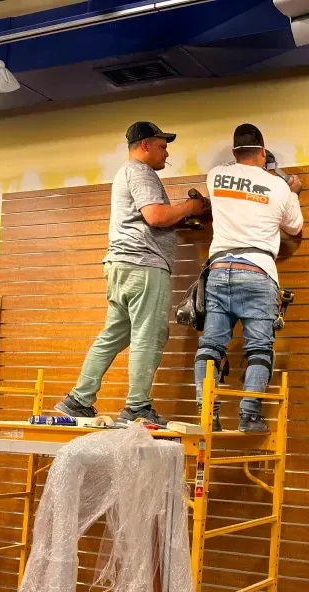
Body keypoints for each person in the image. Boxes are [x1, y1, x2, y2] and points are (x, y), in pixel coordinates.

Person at [56, 121, 208, 425]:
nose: (167, 154)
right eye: (163, 147)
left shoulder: (126, 174)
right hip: (143, 265)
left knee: (114, 334)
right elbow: (155, 215)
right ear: (145, 145)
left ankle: (78, 399)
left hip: (121, 265)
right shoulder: (141, 172)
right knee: (149, 335)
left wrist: (183, 216)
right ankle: (138, 406)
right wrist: (190, 206)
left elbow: (150, 219)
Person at [195, 123, 303, 433]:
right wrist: (293, 192)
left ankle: (208, 416)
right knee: (259, 348)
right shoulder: (279, 187)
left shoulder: (216, 176)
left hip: (218, 271)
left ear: (234, 152)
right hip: (258, 272)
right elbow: (294, 228)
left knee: (210, 346)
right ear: (262, 151)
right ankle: (249, 415)